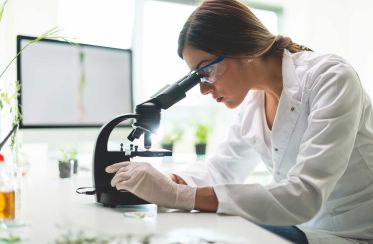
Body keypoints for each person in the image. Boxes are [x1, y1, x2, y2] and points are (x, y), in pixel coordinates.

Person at [105, 0, 373, 243]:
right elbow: (221, 171)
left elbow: (305, 195)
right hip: (303, 227)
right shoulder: (254, 105)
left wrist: (177, 195)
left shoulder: (331, 78)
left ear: (244, 49)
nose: (203, 89)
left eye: (205, 71)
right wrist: (165, 180)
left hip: (352, 233)